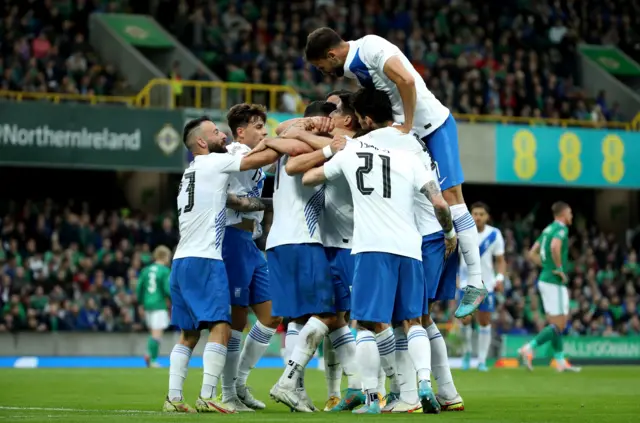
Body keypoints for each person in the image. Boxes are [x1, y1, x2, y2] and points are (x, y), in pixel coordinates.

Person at [304, 27, 487, 317]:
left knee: (452, 197)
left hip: (431, 127)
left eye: (320, 66)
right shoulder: (355, 68)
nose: (323, 71)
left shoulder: (371, 48)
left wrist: (407, 123)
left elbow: (406, 79)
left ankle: (475, 282)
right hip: (407, 136)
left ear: (330, 54)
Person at [301, 121, 455, 414]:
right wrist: (449, 233)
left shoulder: (351, 153)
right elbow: (440, 203)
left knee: (366, 325)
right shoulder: (411, 159)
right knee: (413, 321)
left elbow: (309, 177)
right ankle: (422, 384)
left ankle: (373, 398)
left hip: (371, 248)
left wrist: (324, 154)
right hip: (410, 249)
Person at [345, 87, 461, 413]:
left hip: (410, 237)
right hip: (433, 234)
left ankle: (404, 394)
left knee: (388, 321)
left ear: (366, 119)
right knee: (418, 319)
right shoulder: (409, 140)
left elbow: (337, 148)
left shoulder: (377, 142)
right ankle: (442, 391)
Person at [163, 116, 281, 414]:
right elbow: (266, 157)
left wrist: (271, 204)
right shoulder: (214, 163)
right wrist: (288, 137)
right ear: (202, 142)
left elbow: (236, 202)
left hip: (182, 259)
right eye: (216, 132)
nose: (223, 135)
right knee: (222, 325)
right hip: (207, 258)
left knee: (189, 334)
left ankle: (174, 398)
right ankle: (209, 395)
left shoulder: (190, 172)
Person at [260, 101, 361, 413]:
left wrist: (300, 130)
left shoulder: (292, 138)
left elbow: (282, 131)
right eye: (327, 118)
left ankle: (304, 392)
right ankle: (288, 381)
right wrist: (331, 146)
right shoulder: (300, 148)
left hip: (278, 240)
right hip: (302, 240)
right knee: (329, 314)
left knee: (304, 319)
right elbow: (295, 166)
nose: (333, 123)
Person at [218, 104, 283, 411]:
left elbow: (274, 159)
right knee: (237, 322)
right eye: (259, 126)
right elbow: (233, 201)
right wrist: (272, 203)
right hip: (231, 240)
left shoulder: (254, 160)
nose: (265, 131)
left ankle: (240, 382)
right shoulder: (231, 154)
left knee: (273, 314)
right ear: (241, 131)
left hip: (251, 244)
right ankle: (228, 393)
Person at [518, 202, 581, 373]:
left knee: (555, 324)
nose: (571, 216)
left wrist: (546, 266)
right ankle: (529, 347)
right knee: (559, 325)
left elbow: (532, 253)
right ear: (562, 214)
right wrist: (559, 268)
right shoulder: (561, 229)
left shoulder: (547, 229)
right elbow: (555, 246)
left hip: (545, 279)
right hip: (554, 282)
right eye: (570, 213)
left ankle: (560, 362)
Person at [458, 202, 506, 372]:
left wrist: (500, 278)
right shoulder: (462, 231)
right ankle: (466, 354)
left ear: (487, 217)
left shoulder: (494, 234)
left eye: (481, 214)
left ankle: (481, 360)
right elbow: (453, 258)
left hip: (487, 285)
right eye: (475, 213)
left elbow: (500, 260)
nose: (477, 217)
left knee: (484, 322)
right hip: (466, 283)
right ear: (470, 215)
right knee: (465, 319)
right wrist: (455, 277)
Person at [137, 245, 172, 368]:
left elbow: (139, 287)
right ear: (165, 256)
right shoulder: (164, 271)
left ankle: (150, 355)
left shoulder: (145, 270)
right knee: (157, 333)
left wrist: (140, 304)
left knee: (153, 331)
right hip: (159, 303)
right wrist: (173, 300)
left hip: (147, 303)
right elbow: (167, 289)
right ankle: (152, 358)